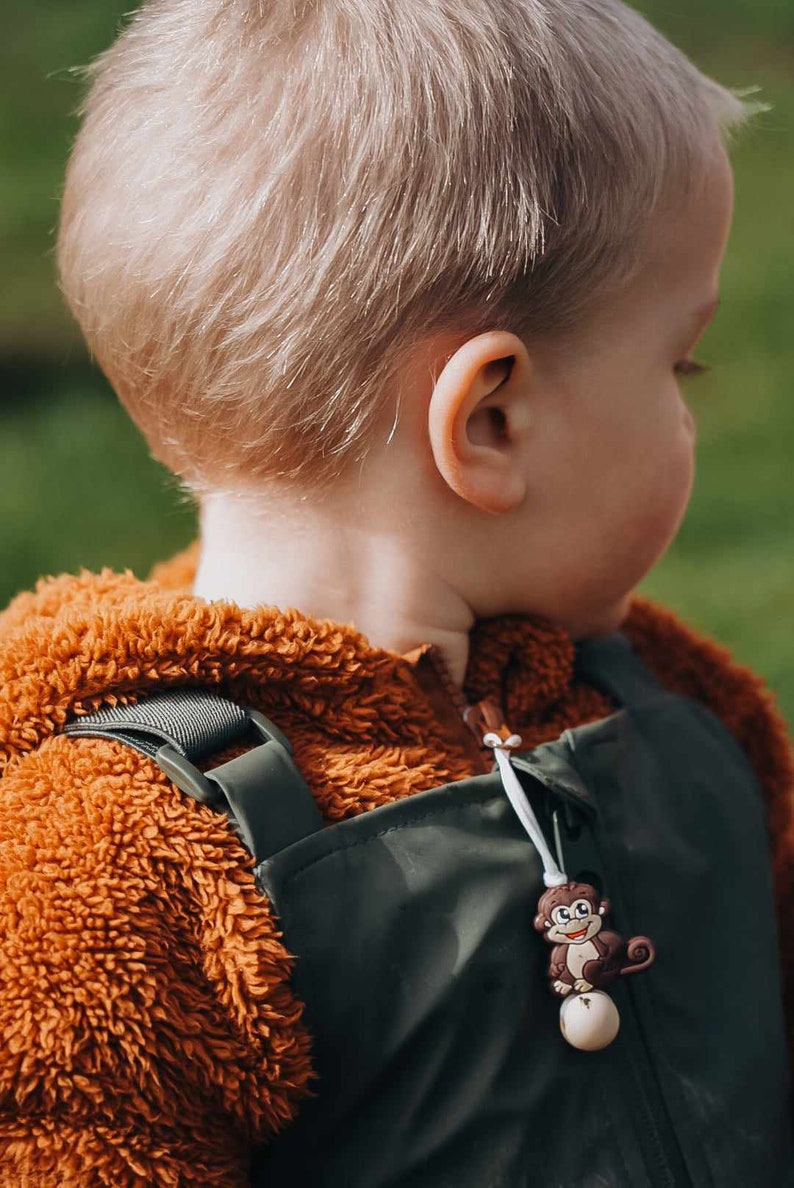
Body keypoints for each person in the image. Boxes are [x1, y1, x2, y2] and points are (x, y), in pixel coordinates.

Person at [0, 0, 792, 1183]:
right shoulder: (120, 860)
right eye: (675, 361)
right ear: (489, 420)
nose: (689, 408)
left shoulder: (672, 700)